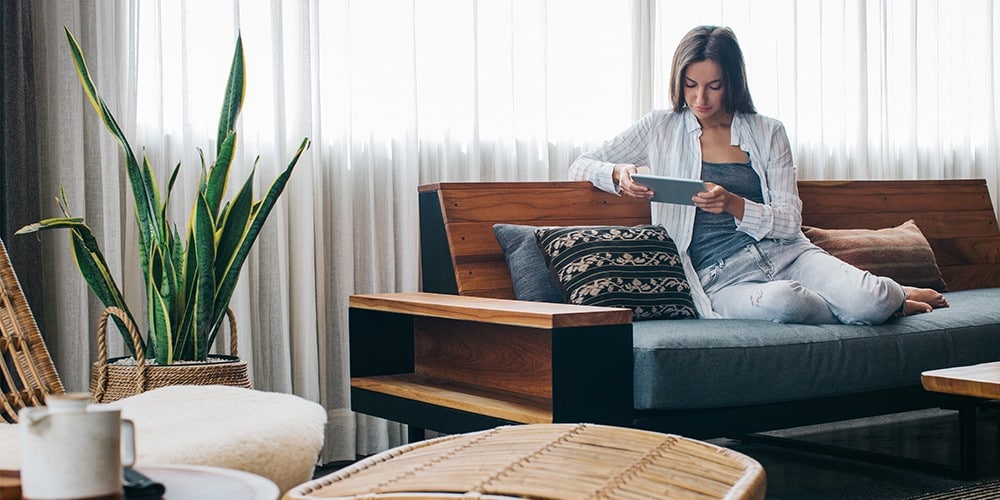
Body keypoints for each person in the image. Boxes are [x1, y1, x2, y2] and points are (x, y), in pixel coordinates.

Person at [570, 25, 947, 324]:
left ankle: (889, 298)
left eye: (714, 86)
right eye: (691, 85)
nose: (701, 98)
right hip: (721, 278)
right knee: (789, 303)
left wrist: (734, 204)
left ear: (732, 82)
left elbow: (789, 222)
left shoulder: (768, 131)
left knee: (872, 298)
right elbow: (580, 164)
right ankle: (880, 306)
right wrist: (618, 172)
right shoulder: (660, 127)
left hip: (789, 255)